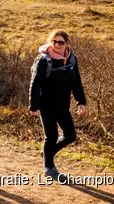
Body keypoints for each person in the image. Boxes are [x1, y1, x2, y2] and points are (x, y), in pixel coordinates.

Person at [29, 29, 86, 179]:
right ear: (50, 42)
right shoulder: (44, 60)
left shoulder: (72, 59)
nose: (57, 45)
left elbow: (77, 82)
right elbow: (35, 83)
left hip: (63, 105)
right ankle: (49, 167)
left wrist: (81, 101)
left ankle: (48, 153)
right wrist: (34, 106)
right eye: (54, 41)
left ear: (67, 44)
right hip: (46, 104)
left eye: (61, 42)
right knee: (51, 135)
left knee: (70, 135)